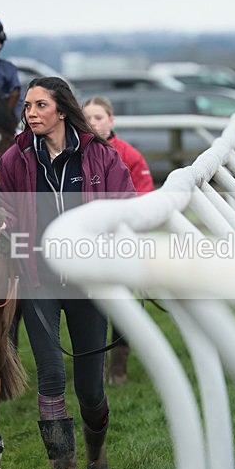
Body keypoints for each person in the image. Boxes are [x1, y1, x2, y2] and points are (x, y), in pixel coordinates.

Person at [0, 77, 136, 469]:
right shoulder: (15, 159)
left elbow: (127, 205)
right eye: (27, 106)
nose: (31, 113)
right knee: (52, 376)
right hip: (37, 279)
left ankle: (96, 453)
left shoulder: (100, 156)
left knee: (90, 388)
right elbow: (6, 211)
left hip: (87, 281)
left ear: (62, 110)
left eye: (40, 105)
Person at [83, 95, 153, 385]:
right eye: (87, 118)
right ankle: (96, 365)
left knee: (124, 303)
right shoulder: (78, 154)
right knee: (91, 306)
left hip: (122, 241)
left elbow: (145, 199)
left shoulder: (130, 155)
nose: (92, 123)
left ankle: (118, 367)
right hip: (88, 243)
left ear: (110, 120)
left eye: (98, 117)